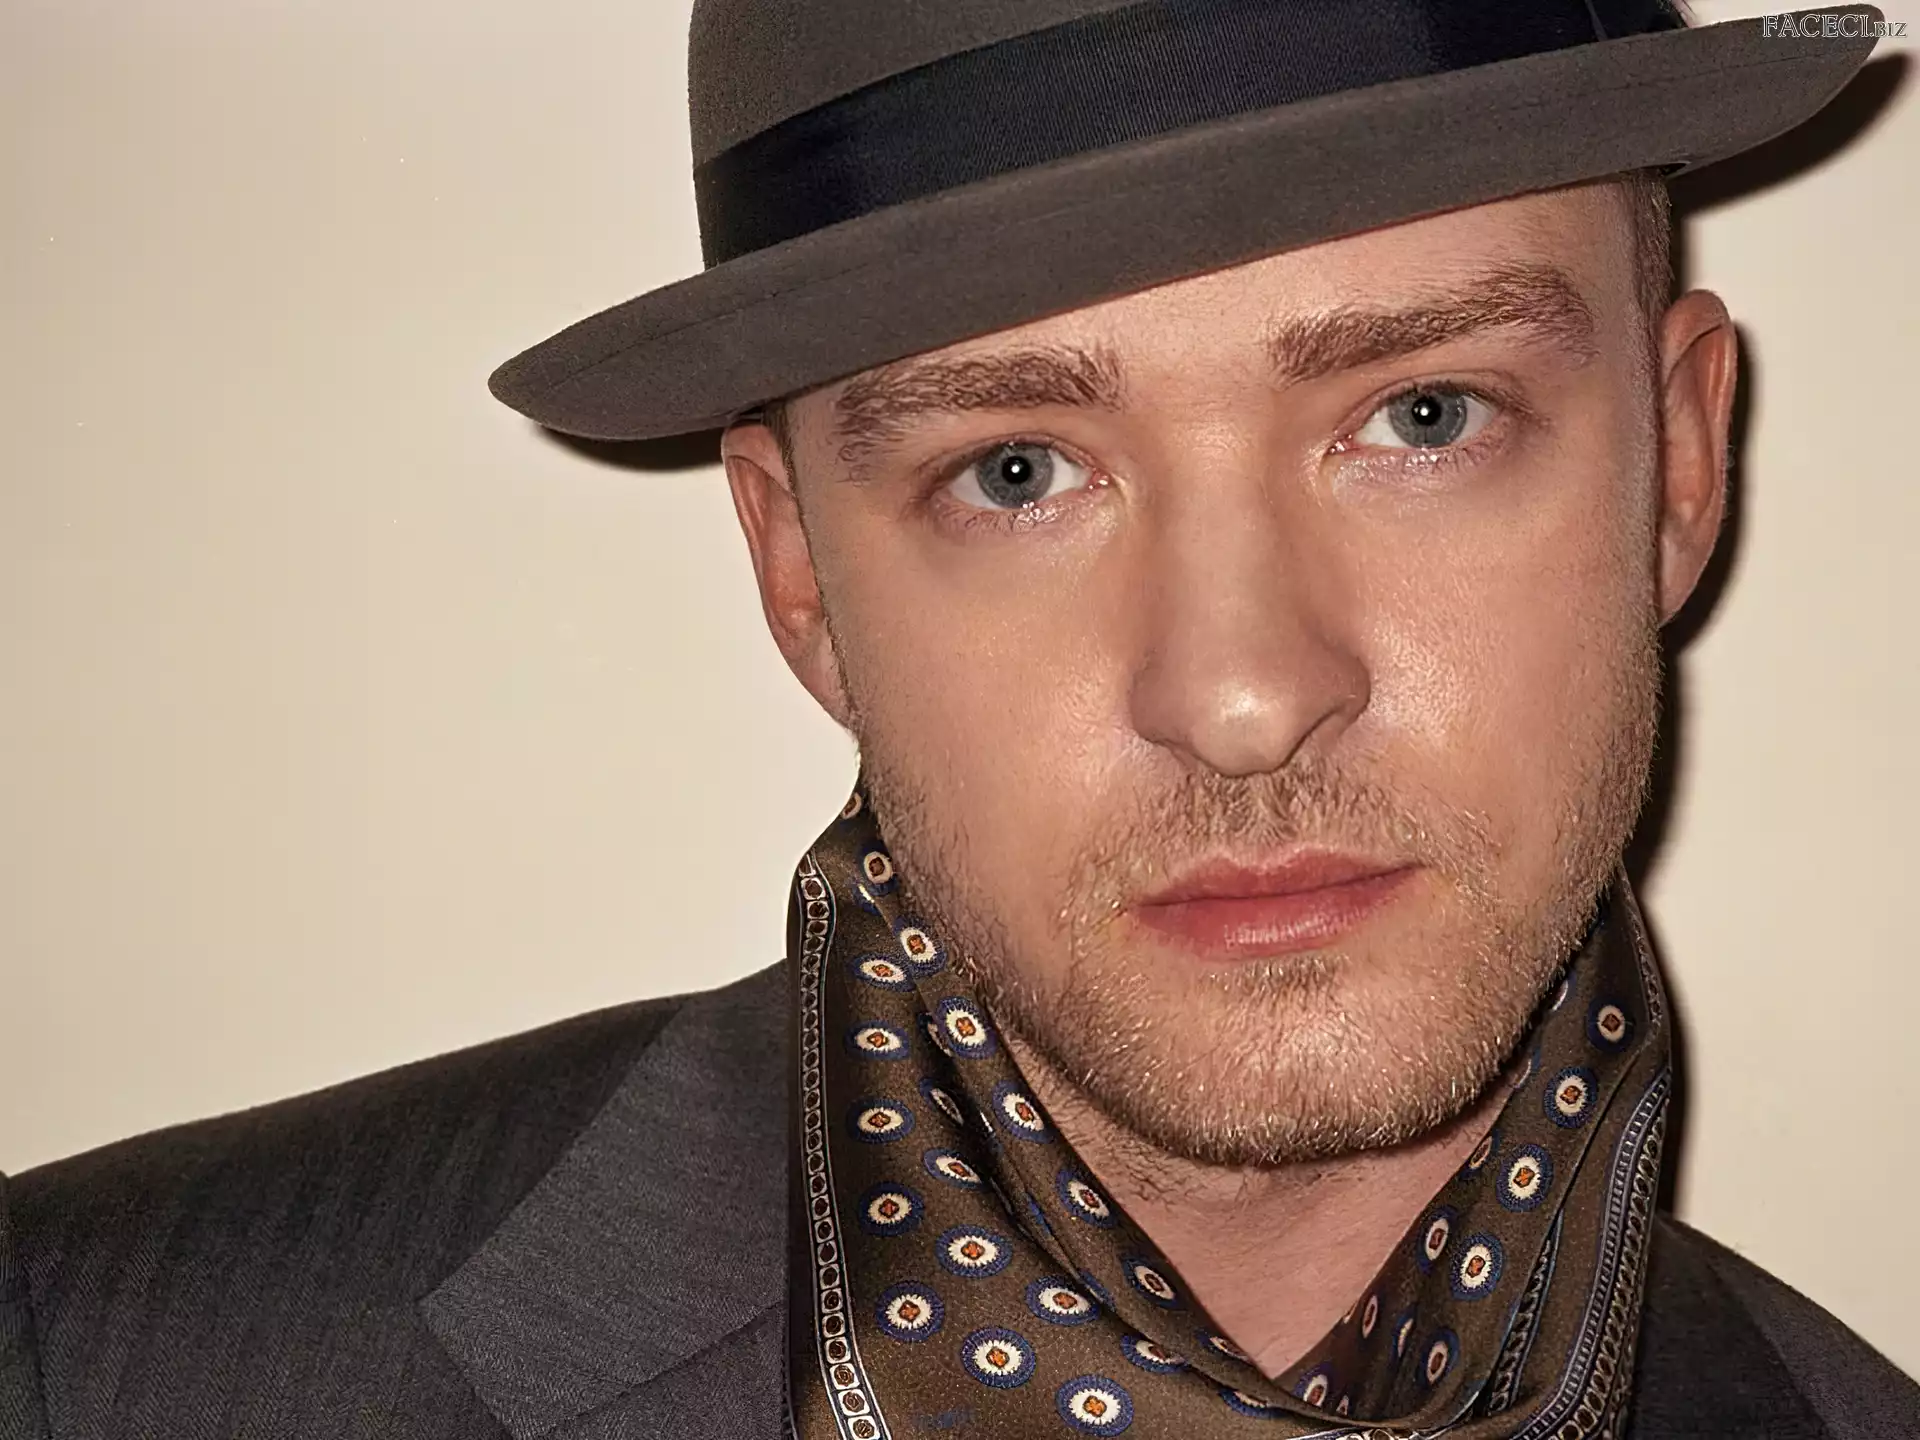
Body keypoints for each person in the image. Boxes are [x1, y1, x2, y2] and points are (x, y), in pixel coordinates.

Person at [3, 0, 1914, 1435]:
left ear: (1678, 465)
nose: (1244, 700)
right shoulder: (89, 1371)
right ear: (800, 573)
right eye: (1017, 471)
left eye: (1424, 417)